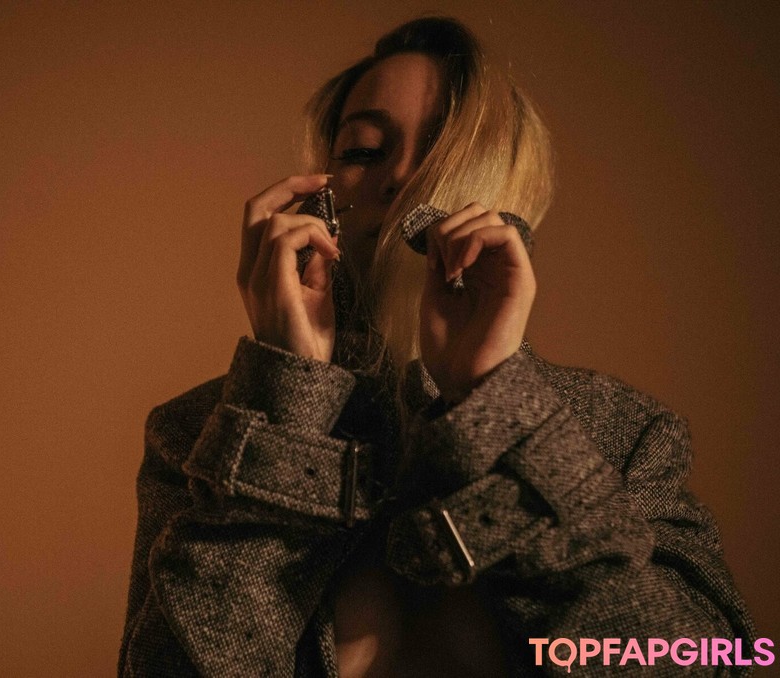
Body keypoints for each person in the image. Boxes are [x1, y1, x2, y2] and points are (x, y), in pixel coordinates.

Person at [118, 15, 756, 677]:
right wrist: (285, 403)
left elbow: (711, 663)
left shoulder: (623, 433)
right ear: (320, 197)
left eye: (445, 151)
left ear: (514, 196)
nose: (402, 179)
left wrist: (498, 407)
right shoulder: (196, 435)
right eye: (364, 151)